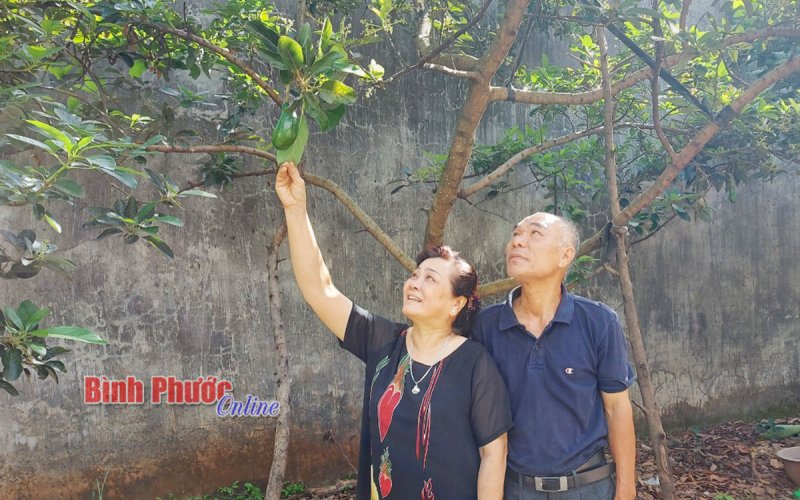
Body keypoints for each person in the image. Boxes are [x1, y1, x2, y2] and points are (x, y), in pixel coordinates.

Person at [275, 161, 513, 500]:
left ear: (456, 304)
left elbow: (494, 454)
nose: (414, 283)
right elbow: (319, 291)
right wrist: (296, 209)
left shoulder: (475, 364)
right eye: (415, 275)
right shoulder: (383, 342)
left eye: (430, 278)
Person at [472, 212, 637, 500]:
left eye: (534, 234)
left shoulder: (598, 321)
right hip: (515, 488)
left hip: (588, 487)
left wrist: (626, 488)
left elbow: (617, 409)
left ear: (565, 256)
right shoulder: (486, 326)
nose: (517, 242)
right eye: (516, 234)